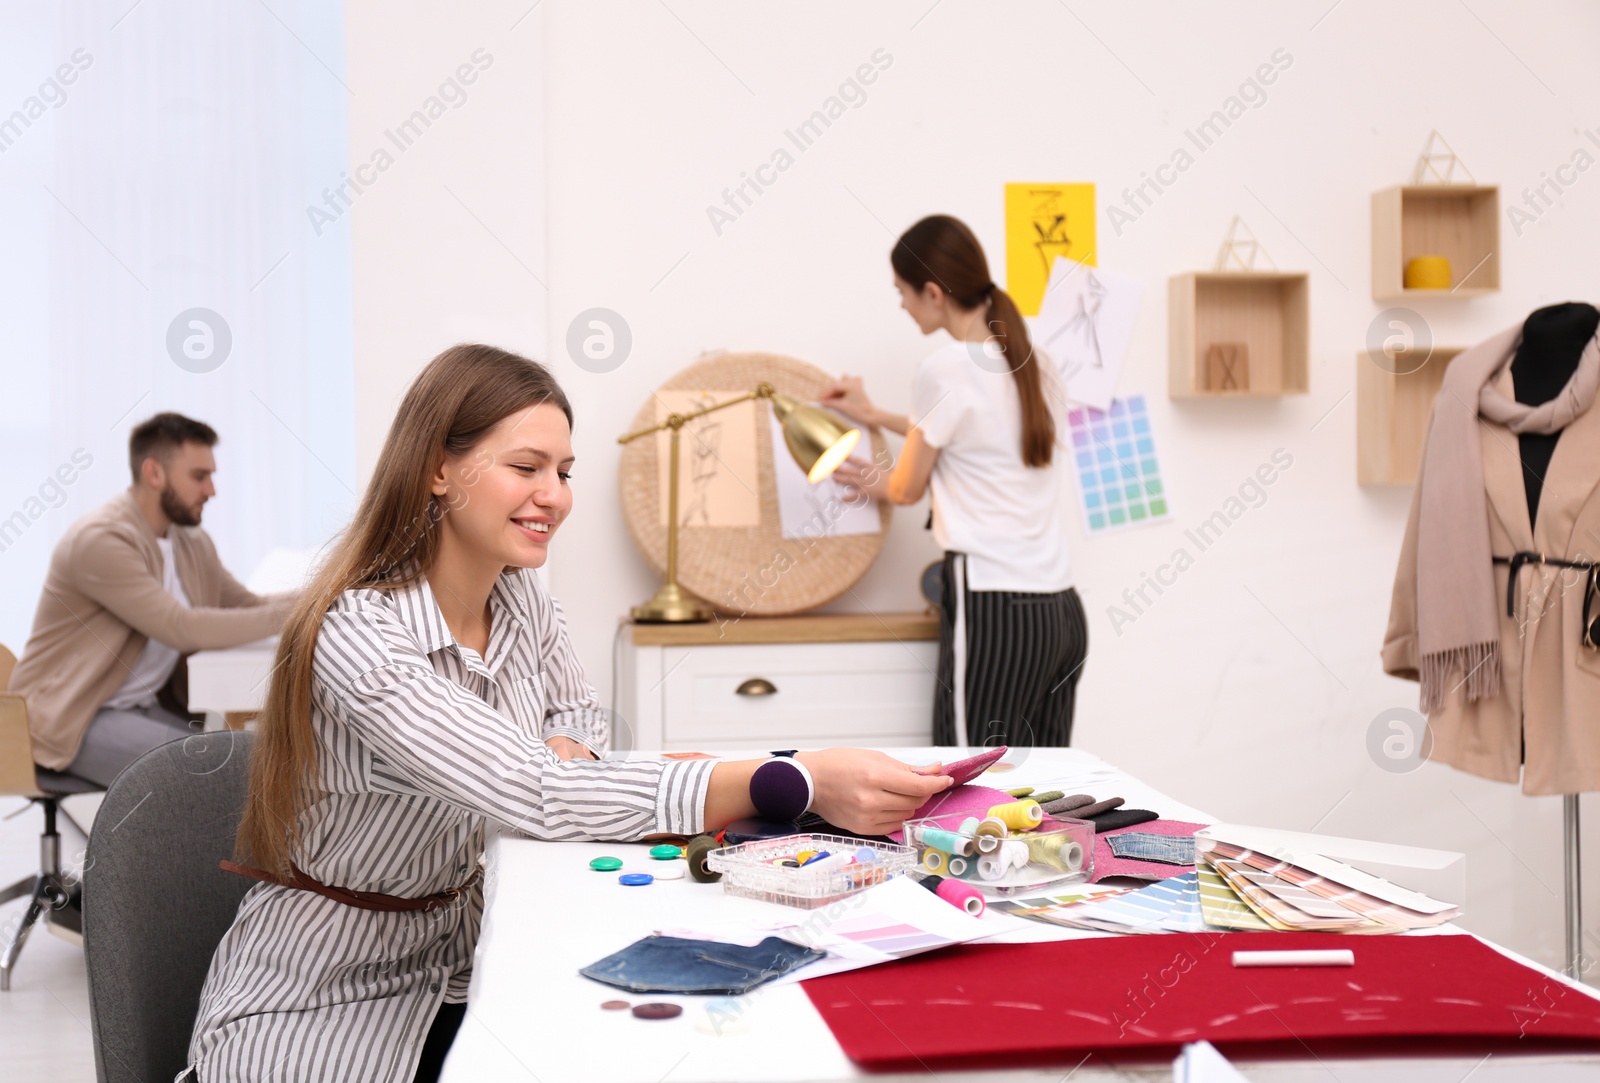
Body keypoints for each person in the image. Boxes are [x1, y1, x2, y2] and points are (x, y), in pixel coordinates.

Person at [185, 344, 952, 1083]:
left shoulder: (522, 596)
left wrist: (565, 763)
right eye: (526, 467)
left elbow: (579, 730)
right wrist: (791, 778)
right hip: (322, 997)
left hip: (464, 961)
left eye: (563, 471)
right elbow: (541, 791)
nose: (555, 494)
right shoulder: (360, 632)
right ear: (438, 470)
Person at [822, 214, 1087, 748]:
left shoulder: (944, 368)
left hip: (994, 607)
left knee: (968, 779)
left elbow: (907, 488)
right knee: (1047, 788)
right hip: (1060, 613)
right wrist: (875, 414)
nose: (901, 304)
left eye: (903, 292)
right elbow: (963, 433)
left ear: (933, 292)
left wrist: (874, 484)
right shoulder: (1036, 362)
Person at [12, 412, 296, 787]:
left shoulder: (190, 542)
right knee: (218, 772)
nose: (212, 490)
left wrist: (327, 591)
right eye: (199, 476)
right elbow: (181, 627)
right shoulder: (100, 540)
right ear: (154, 473)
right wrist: (297, 612)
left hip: (138, 710)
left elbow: (245, 604)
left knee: (243, 759)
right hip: (72, 718)